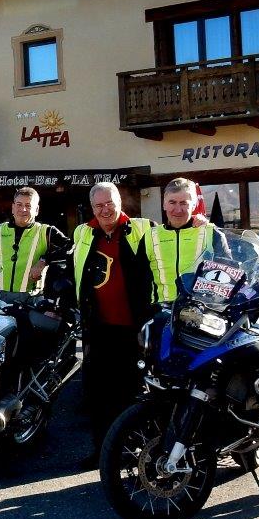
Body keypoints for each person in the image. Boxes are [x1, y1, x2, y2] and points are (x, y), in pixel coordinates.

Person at [72, 181, 154, 466]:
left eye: (109, 203)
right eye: (98, 205)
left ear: (120, 202)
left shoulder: (143, 228)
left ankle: (133, 451)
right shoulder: (83, 232)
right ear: (91, 207)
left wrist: (198, 220)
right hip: (98, 327)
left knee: (132, 392)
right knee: (98, 393)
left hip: (134, 327)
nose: (105, 210)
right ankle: (102, 451)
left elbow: (177, 232)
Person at [0, 187, 72, 300]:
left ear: (36, 210)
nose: (23, 209)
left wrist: (44, 261)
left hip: (31, 297)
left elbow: (72, 247)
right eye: (19, 204)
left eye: (28, 206)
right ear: (13, 207)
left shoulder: (46, 231)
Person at [145, 177, 220, 304]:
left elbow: (227, 274)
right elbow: (139, 277)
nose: (178, 209)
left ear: (194, 204)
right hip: (162, 311)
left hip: (201, 310)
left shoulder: (210, 232)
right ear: (164, 204)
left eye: (184, 203)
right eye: (172, 202)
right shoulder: (150, 235)